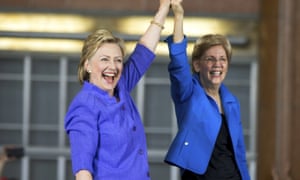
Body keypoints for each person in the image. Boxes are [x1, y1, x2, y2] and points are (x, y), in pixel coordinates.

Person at [64, 0, 172, 179]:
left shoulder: (120, 87)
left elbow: (144, 51)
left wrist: (163, 8)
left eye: (118, 60)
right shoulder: (84, 106)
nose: (113, 66)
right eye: (104, 59)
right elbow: (83, 169)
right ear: (88, 65)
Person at [164, 1, 251, 180]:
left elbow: (239, 152)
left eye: (222, 59)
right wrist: (178, 16)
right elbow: (179, 62)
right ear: (197, 65)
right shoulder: (188, 93)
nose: (217, 64)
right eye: (210, 59)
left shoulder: (231, 101)